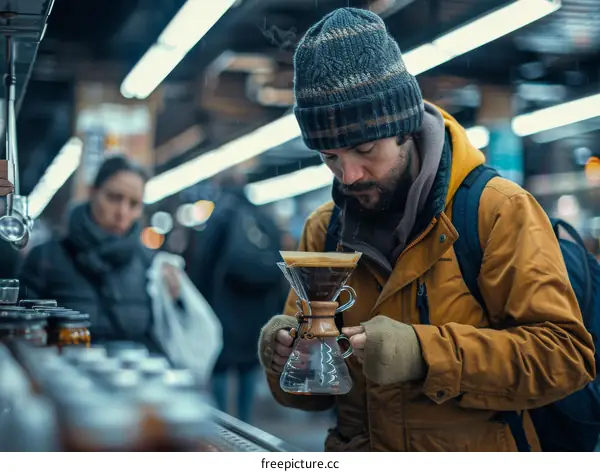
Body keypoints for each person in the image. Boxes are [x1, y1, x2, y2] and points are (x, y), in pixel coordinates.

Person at [257, 8, 596, 452]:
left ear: (402, 128)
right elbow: (310, 396)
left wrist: (423, 354)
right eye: (330, 157)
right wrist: (286, 358)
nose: (349, 175)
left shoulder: (497, 212)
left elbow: (564, 358)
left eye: (363, 149)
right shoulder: (325, 232)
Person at [19, 156, 179, 352]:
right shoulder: (45, 259)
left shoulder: (150, 266)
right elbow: (22, 332)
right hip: (60, 376)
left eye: (134, 204)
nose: (122, 212)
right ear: (93, 192)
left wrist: (176, 302)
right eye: (114, 198)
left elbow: (161, 340)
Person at [184, 170, 283, 424]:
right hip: (257, 312)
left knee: (220, 366)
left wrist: (197, 304)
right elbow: (279, 269)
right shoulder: (264, 219)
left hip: (223, 309)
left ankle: (222, 424)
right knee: (249, 367)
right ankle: (245, 422)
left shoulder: (218, 217)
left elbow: (201, 265)